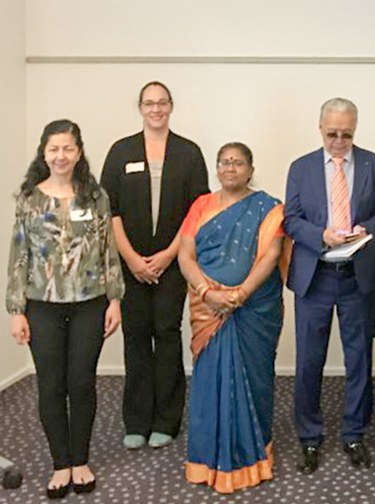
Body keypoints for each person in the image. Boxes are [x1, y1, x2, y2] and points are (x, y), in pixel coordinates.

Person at [6, 119, 124, 499]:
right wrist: (16, 309)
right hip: (42, 307)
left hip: (90, 304)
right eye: (54, 149)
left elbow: (109, 251)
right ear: (44, 152)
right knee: (51, 386)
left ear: (79, 152)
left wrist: (115, 300)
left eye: (68, 148)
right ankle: (60, 464)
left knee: (82, 383)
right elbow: (18, 256)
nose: (61, 155)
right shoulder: (29, 199)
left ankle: (80, 460)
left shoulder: (95, 197)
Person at [284, 97, 375, 474]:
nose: (339, 141)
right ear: (320, 129)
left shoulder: (373, 164)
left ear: (355, 130)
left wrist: (368, 230)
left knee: (359, 358)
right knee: (309, 360)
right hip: (315, 276)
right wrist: (321, 236)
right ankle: (309, 438)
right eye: (332, 133)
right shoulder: (301, 168)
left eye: (347, 134)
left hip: (356, 275)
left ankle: (354, 433)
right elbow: (291, 219)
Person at [100, 81, 210, 450]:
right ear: (140, 107)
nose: (156, 109)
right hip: (130, 264)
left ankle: (166, 419)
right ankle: (136, 421)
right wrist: (131, 258)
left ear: (171, 106)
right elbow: (109, 210)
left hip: (172, 263)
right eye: (150, 103)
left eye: (162, 102)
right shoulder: (121, 152)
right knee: (134, 338)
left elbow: (198, 212)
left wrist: (167, 256)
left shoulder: (189, 153)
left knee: (165, 336)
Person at [177, 142, 286, 494]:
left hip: (253, 310)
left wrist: (238, 296)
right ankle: (207, 461)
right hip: (208, 309)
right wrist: (209, 294)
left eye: (238, 163)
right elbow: (185, 254)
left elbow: (271, 256)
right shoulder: (201, 205)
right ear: (217, 168)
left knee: (254, 380)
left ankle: (252, 459)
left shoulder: (269, 208)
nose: (230, 168)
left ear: (251, 169)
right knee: (210, 383)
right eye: (224, 162)